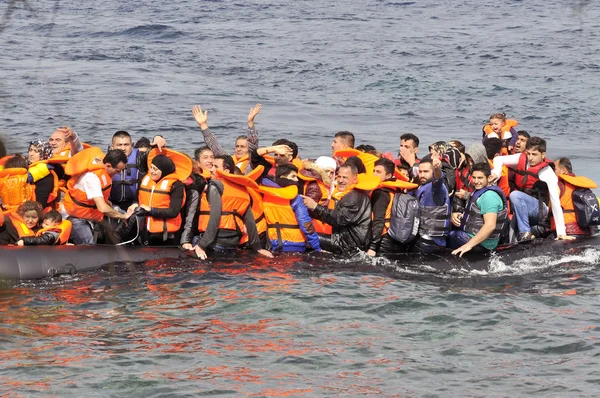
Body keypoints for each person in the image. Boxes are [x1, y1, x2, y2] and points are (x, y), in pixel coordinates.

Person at [491, 137, 573, 242]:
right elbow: (498, 159)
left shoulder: (547, 172)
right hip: (523, 208)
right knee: (512, 235)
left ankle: (526, 233)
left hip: (540, 211)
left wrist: (561, 232)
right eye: (528, 153)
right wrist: (496, 171)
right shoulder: (522, 159)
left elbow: (555, 202)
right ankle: (520, 240)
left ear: (543, 155)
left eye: (534, 154)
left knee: (515, 195)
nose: (530, 158)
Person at [193, 154, 272, 259]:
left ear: (226, 171)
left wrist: (201, 245)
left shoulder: (215, 185)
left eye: (215, 166)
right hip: (233, 243)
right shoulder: (243, 189)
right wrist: (258, 248)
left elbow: (215, 218)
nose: (211, 169)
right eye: (211, 166)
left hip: (214, 242)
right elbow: (250, 221)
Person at [63, 147, 134, 245]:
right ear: (108, 165)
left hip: (92, 211)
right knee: (90, 245)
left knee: (123, 215)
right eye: (118, 171)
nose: (119, 173)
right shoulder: (92, 177)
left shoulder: (104, 168)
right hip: (75, 216)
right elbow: (103, 208)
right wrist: (122, 216)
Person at [302, 163, 375, 254]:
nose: (340, 180)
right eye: (339, 177)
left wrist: (315, 206)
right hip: (348, 239)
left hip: (349, 244)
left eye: (345, 178)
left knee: (305, 238)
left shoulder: (353, 198)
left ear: (354, 179)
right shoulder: (351, 193)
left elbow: (338, 219)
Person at [449, 163, 508, 256]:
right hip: (473, 236)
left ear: (489, 178)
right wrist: (460, 216)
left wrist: (468, 245)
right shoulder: (479, 191)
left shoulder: (489, 197)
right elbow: (477, 216)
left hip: (484, 244)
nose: (476, 181)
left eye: (480, 178)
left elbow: (490, 226)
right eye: (474, 177)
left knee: (449, 235)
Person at [135, 148, 191, 245]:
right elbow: (137, 198)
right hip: (144, 230)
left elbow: (174, 211)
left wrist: (151, 211)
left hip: (165, 234)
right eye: (151, 167)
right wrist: (134, 205)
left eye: (155, 169)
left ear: (164, 170)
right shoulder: (146, 180)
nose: (151, 171)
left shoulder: (176, 185)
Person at [260, 164, 321, 252]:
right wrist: (317, 247)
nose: (297, 180)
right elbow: (306, 224)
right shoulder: (296, 198)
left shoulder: (264, 194)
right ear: (282, 177)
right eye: (293, 176)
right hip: (295, 244)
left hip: (272, 243)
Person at [367, 158, 418, 256]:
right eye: (373, 171)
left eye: (378, 172)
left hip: (383, 240)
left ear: (388, 175)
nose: (374, 174)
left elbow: (378, 220)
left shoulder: (381, 193)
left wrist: (372, 247)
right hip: (397, 238)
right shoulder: (397, 189)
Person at [192, 104, 261, 174]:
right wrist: (203, 124)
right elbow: (215, 147)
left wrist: (250, 122)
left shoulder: (251, 165)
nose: (239, 149)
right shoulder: (229, 161)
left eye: (243, 147)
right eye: (237, 146)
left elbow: (254, 149)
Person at [108, 131, 166, 211]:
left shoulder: (140, 157)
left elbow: (154, 152)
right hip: (112, 203)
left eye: (126, 144)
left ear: (132, 145)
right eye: (119, 145)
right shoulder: (106, 160)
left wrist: (158, 137)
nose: (123, 148)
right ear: (112, 146)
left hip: (135, 203)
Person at [411, 156, 451, 254]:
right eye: (420, 172)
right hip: (432, 240)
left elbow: (438, 181)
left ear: (433, 172)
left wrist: (437, 169)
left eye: (426, 171)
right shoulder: (423, 187)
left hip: (428, 242)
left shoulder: (436, 189)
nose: (422, 175)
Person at [552, 157, 598, 236]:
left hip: (567, 230)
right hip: (587, 231)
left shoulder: (559, 185)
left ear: (563, 170)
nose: (552, 172)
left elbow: (547, 208)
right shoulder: (582, 185)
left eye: (554, 169)